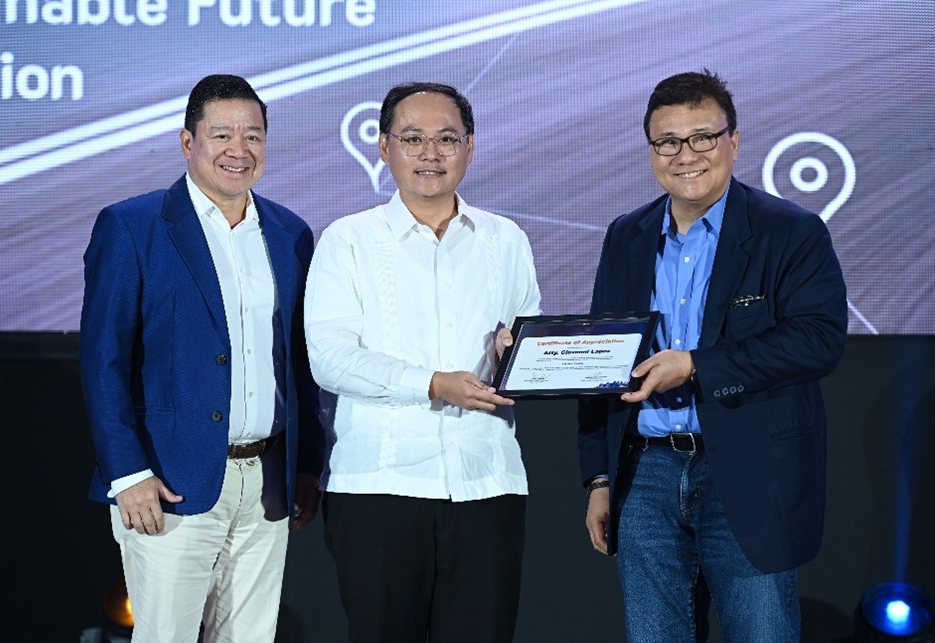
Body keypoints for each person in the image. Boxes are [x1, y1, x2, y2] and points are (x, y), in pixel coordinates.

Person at [577, 70, 848, 642]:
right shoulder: (626, 235)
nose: (686, 155)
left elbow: (818, 340)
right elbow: (604, 360)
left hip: (749, 470)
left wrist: (697, 365)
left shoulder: (790, 231)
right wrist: (599, 478)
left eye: (702, 137)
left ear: (734, 141)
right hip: (644, 474)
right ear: (651, 150)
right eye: (668, 142)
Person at [80, 74, 324, 643]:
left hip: (268, 483)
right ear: (187, 142)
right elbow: (103, 360)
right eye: (221, 135)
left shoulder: (290, 232)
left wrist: (307, 465)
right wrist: (127, 474)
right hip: (168, 483)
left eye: (253, 136)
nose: (239, 150)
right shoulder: (133, 225)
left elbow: (298, 361)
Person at [303, 82, 541, 643]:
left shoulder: (506, 239)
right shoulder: (348, 240)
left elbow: (526, 345)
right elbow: (330, 359)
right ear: (384, 147)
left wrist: (517, 359)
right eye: (413, 139)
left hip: (487, 484)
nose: (431, 153)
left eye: (447, 139)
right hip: (380, 488)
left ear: (470, 147)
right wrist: (431, 384)